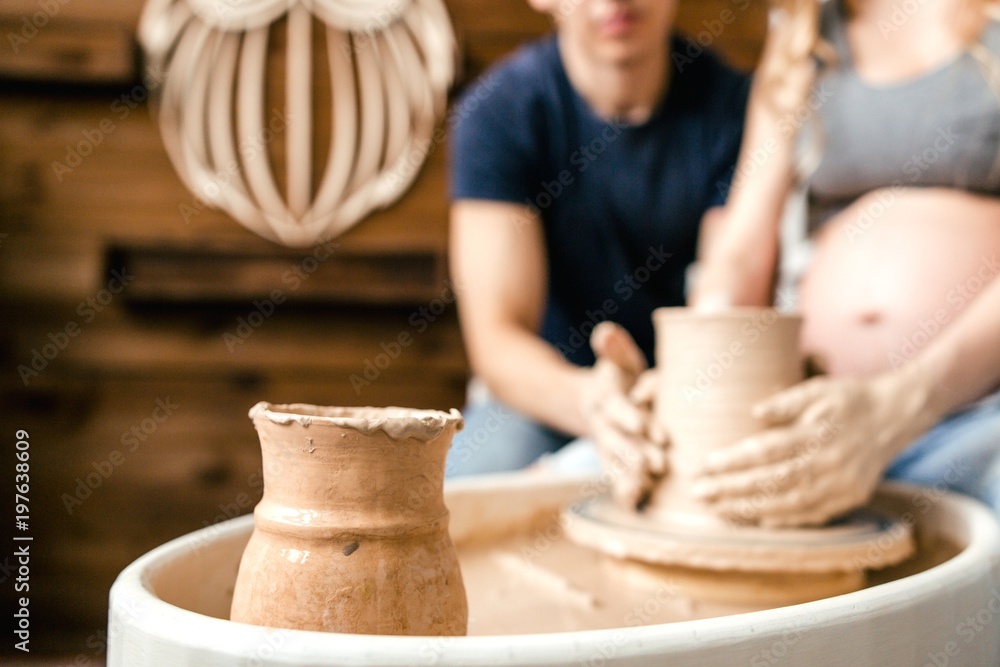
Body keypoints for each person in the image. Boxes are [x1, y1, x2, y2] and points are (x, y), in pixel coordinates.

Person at [690, 0, 1000, 525]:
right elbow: (743, 248)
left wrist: (903, 405)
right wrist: (694, 374)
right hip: (825, 422)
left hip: (977, 414)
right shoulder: (802, 33)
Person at [445, 0, 751, 495]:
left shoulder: (734, 107)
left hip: (685, 393)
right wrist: (594, 404)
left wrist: (662, 404)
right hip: (541, 396)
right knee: (463, 500)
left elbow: (731, 297)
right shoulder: (498, 111)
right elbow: (496, 341)